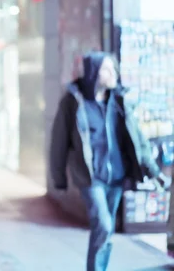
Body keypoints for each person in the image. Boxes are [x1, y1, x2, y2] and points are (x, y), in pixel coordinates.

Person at [50, 52, 171, 271]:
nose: (113, 73)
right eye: (107, 69)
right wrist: (58, 178)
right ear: (93, 72)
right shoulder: (73, 102)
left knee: (105, 229)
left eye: (113, 68)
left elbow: (138, 140)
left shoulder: (118, 101)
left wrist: (155, 173)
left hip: (116, 176)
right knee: (103, 225)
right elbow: (59, 142)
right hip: (90, 177)